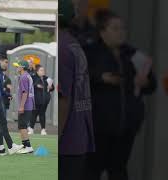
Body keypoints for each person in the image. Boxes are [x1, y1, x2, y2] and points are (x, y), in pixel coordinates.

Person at [85, 9, 156, 180]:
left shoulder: (132, 54)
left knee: (118, 169)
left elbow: (151, 83)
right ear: (103, 32)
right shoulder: (91, 52)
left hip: (126, 125)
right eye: (115, 28)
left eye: (122, 28)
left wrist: (145, 82)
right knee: (92, 170)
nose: (121, 32)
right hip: (99, 125)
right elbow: (80, 78)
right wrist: (101, 78)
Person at [59, 0, 95, 179]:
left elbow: (62, 100)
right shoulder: (73, 44)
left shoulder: (60, 48)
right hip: (78, 139)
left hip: (64, 145)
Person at [13, 60, 35, 154]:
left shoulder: (23, 77)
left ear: (22, 67)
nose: (17, 67)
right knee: (22, 126)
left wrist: (21, 106)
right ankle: (25, 145)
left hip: (26, 105)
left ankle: (28, 146)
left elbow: (24, 93)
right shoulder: (27, 76)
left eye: (18, 66)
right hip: (28, 104)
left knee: (22, 126)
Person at [28, 65, 54, 135]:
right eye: (41, 70)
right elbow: (31, 86)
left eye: (43, 70)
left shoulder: (47, 78)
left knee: (42, 114)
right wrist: (36, 86)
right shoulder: (33, 77)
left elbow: (52, 88)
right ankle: (31, 128)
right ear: (37, 71)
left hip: (44, 100)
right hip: (36, 99)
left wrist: (50, 87)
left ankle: (43, 129)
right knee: (34, 114)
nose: (43, 72)